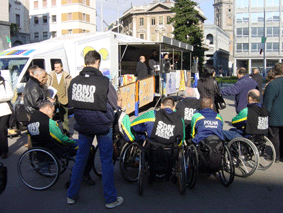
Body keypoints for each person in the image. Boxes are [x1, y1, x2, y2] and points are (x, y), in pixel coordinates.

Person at [67, 50, 123, 208]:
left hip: (83, 125)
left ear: (86, 63)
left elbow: (72, 102)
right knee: (106, 161)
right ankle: (110, 199)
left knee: (80, 159)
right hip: (102, 126)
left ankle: (71, 195)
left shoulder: (75, 81)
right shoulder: (104, 81)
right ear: (97, 62)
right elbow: (114, 102)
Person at [27, 100, 95, 184]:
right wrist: (71, 142)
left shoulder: (32, 120)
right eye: (53, 110)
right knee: (90, 147)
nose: (53, 113)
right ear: (48, 108)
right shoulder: (48, 123)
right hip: (56, 148)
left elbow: (30, 137)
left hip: (42, 148)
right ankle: (84, 174)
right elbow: (61, 139)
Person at [263, 62, 283, 162]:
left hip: (275, 117)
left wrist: (265, 115)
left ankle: (276, 156)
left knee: (274, 137)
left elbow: (267, 103)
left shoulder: (272, 84)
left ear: (275, 71)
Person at [47, 61, 72, 137]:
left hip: (64, 99)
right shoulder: (51, 75)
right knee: (52, 118)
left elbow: (69, 88)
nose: (56, 69)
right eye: (55, 67)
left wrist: (68, 98)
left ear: (62, 67)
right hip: (53, 100)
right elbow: (47, 86)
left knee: (64, 119)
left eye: (58, 67)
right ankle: (53, 135)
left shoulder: (67, 76)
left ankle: (66, 135)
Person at [0, 75, 14, 159]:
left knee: (2, 130)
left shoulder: (5, 83)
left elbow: (11, 95)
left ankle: (5, 150)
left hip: (5, 110)